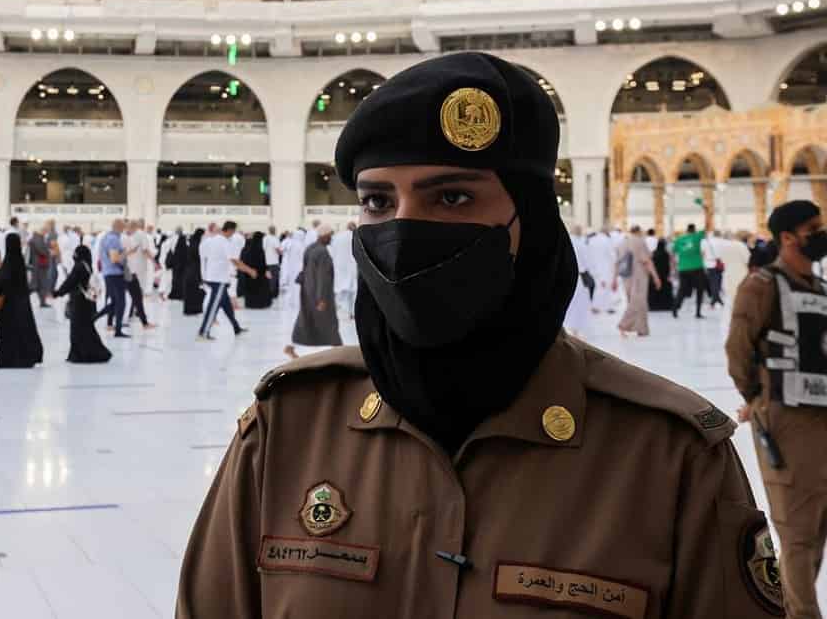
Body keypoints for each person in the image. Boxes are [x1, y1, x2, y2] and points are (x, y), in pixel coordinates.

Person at [177, 52, 780, 618]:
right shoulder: (287, 431)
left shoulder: (664, 457)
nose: (405, 229)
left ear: (534, 222)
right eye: (378, 201)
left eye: (453, 196)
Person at [727, 200, 827, 619]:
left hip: (821, 417)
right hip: (785, 420)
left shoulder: (818, 289)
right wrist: (758, 399)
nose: (820, 235)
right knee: (797, 531)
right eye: (812, 229)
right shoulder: (763, 285)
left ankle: (791, 609)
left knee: (816, 529)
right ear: (787, 238)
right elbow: (739, 349)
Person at [286, 224, 342, 358]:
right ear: (324, 236)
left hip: (308, 290)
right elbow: (323, 276)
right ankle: (338, 348)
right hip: (320, 293)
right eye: (330, 236)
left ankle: (291, 346)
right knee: (329, 320)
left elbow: (304, 270)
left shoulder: (310, 248)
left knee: (306, 319)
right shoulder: (322, 252)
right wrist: (321, 298)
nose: (331, 238)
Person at [0, 232, 43, 369]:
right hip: (22, 303)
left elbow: (2, 281)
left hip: (9, 305)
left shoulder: (8, 262)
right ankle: (26, 357)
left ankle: (10, 360)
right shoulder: (19, 261)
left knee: (9, 333)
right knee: (22, 330)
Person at [54, 244, 112, 364]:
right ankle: (92, 352)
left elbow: (70, 282)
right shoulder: (87, 266)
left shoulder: (79, 267)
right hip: (87, 302)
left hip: (78, 303)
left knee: (78, 329)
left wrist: (58, 293)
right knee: (86, 329)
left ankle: (81, 355)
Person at [198, 221, 254, 341]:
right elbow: (234, 260)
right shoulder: (225, 242)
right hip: (219, 279)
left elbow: (206, 257)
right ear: (230, 230)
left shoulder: (213, 240)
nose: (233, 234)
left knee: (227, 305)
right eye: (233, 232)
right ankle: (203, 332)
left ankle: (236, 327)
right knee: (213, 306)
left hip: (213, 276)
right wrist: (250, 270)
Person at [614, 225, 661, 337]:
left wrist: (614, 279)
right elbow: (647, 261)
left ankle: (641, 329)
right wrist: (656, 277)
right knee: (639, 303)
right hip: (639, 276)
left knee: (634, 302)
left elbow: (617, 263)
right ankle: (624, 324)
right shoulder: (639, 242)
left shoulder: (622, 243)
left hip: (626, 278)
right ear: (639, 232)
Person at [97, 218, 130, 337]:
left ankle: (93, 318)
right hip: (115, 274)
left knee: (114, 302)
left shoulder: (106, 237)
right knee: (121, 302)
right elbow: (114, 258)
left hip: (108, 273)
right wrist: (126, 253)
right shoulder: (114, 239)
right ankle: (118, 330)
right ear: (120, 227)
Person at [672, 222, 709, 318]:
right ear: (694, 229)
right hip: (697, 268)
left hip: (683, 268)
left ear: (687, 230)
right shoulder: (697, 236)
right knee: (699, 290)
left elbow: (673, 252)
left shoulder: (679, 240)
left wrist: (674, 266)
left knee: (681, 290)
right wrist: (707, 211)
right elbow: (707, 227)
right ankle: (698, 312)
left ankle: (675, 308)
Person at [564, 224, 593, 339]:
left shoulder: (567, 242)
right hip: (579, 277)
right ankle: (575, 328)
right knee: (579, 304)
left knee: (570, 302)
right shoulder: (581, 244)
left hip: (567, 274)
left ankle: (568, 327)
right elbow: (586, 262)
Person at [124, 219, 155, 329]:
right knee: (137, 293)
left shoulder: (127, 236)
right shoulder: (141, 235)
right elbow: (145, 250)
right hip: (138, 268)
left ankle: (133, 314)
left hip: (129, 268)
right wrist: (154, 262)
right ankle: (134, 315)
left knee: (132, 294)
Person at [330, 221, 358, 320]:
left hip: (340, 266)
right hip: (353, 267)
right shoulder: (357, 237)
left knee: (339, 289)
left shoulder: (338, 237)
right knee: (353, 291)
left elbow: (332, 251)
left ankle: (338, 310)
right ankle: (352, 313)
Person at [239, 231, 271, 310]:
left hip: (249, 273)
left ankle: (250, 304)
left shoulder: (246, 248)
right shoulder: (260, 249)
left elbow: (243, 260)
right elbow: (262, 262)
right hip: (259, 273)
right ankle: (260, 304)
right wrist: (265, 270)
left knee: (251, 289)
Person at [28, 222, 54, 308]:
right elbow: (41, 250)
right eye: (45, 230)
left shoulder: (38, 237)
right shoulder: (37, 238)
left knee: (39, 284)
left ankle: (42, 302)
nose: (46, 232)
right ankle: (41, 301)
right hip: (39, 265)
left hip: (39, 264)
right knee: (38, 284)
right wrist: (49, 252)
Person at [182, 228, 205, 316]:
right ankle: (195, 309)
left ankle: (190, 309)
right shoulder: (197, 244)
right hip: (195, 270)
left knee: (191, 291)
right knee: (195, 290)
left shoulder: (191, 242)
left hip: (189, 270)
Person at [648, 237, 675, 312]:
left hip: (655, 275)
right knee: (665, 288)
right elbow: (672, 264)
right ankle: (665, 305)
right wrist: (672, 273)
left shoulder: (653, 253)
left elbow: (649, 264)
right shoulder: (667, 254)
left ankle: (654, 305)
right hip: (665, 275)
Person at [167, 229, 189, 301]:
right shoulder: (186, 244)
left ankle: (174, 294)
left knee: (175, 279)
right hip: (183, 265)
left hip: (176, 264)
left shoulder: (173, 242)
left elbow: (171, 252)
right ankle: (181, 295)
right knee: (182, 280)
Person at [262, 226, 281, 301]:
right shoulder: (274, 239)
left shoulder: (265, 238)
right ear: (274, 231)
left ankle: (267, 293)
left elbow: (263, 248)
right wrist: (281, 253)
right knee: (274, 279)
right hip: (274, 262)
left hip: (267, 261)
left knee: (268, 278)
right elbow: (277, 249)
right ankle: (272, 294)